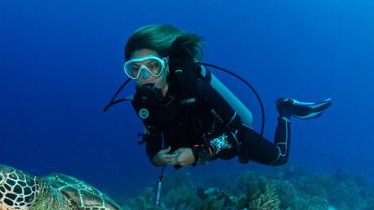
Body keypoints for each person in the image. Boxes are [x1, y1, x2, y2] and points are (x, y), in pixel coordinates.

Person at [120, 24, 332, 168]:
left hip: (231, 136)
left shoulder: (197, 89)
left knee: (280, 159)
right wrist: (156, 158)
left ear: (166, 65)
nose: (144, 76)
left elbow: (237, 130)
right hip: (198, 144)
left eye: (152, 66)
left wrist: (199, 154)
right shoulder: (142, 103)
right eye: (135, 69)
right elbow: (153, 136)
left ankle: (286, 110)